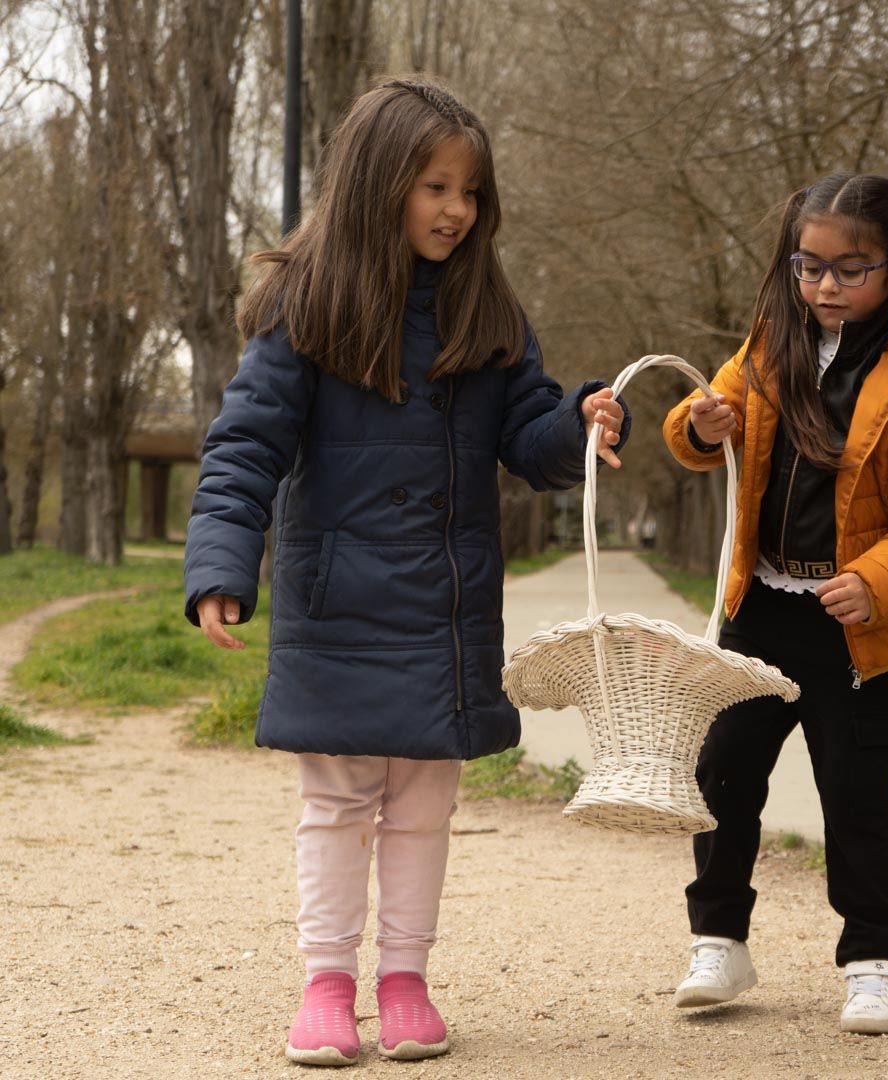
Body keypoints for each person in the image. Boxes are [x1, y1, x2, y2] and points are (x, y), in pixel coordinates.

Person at [183, 77, 626, 1067]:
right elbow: (243, 447)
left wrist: (585, 420)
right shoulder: (308, 302)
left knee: (425, 807)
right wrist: (221, 564)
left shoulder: (489, 306)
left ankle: (406, 980)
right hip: (335, 606)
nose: (456, 210)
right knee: (337, 804)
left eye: (470, 191)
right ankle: (329, 985)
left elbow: (531, 436)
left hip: (443, 608)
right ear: (380, 182)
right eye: (434, 186)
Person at [659, 172, 888, 1034]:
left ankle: (873, 959)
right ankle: (718, 939)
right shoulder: (769, 340)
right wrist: (699, 427)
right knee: (722, 776)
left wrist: (875, 578)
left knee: (856, 790)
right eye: (809, 267)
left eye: (850, 269)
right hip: (758, 606)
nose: (825, 287)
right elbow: (694, 427)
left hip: (860, 623)